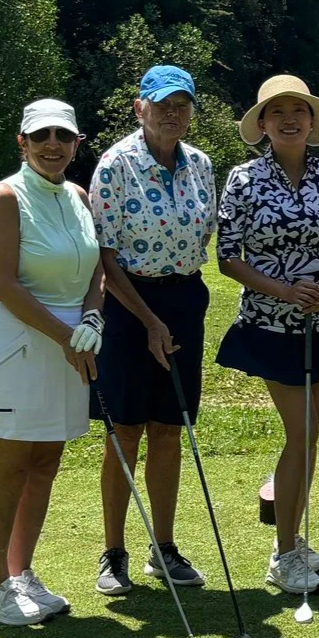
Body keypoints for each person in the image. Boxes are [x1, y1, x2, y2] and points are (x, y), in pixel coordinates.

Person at [214, 74, 319, 597]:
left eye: (297, 110)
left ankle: (292, 537)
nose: (289, 119)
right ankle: (282, 555)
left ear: (312, 120)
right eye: (276, 112)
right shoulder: (244, 179)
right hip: (271, 323)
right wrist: (283, 290)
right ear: (261, 124)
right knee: (300, 433)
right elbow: (227, 255)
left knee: (309, 433)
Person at [0, 98, 104, 625]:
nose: (53, 145)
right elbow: (5, 284)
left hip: (71, 342)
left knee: (45, 462)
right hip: (17, 344)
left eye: (63, 137)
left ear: (75, 143)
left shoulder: (78, 195)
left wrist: (92, 320)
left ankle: (21, 574)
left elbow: (96, 271)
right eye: (41, 136)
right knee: (9, 467)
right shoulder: (4, 197)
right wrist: (69, 336)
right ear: (22, 142)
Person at [86, 64, 218, 599]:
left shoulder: (201, 164)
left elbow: (208, 233)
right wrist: (148, 321)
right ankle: (113, 553)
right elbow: (105, 257)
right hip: (127, 304)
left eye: (182, 104)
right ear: (140, 107)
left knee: (170, 427)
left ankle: (163, 548)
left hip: (183, 300)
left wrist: (169, 317)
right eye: (162, 103)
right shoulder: (117, 164)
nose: (172, 113)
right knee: (126, 431)